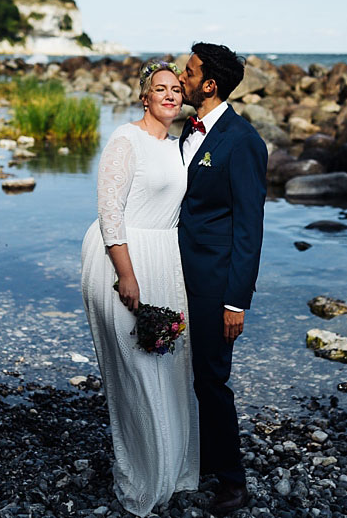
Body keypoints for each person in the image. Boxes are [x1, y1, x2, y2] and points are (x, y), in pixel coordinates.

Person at [80, 60, 199, 516]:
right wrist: (126, 275)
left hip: (165, 258)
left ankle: (173, 470)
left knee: (170, 366)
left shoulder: (179, 145)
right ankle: (141, 475)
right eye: (160, 89)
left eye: (176, 88)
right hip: (122, 256)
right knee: (136, 371)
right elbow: (110, 210)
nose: (170, 95)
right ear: (143, 97)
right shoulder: (124, 139)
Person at [178, 42, 268, 515]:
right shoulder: (186, 134)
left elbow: (249, 227)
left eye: (189, 71)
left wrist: (237, 300)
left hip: (216, 284)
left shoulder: (244, 141)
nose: (182, 75)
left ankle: (232, 482)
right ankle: (201, 460)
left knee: (212, 379)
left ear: (209, 84)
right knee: (186, 374)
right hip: (175, 275)